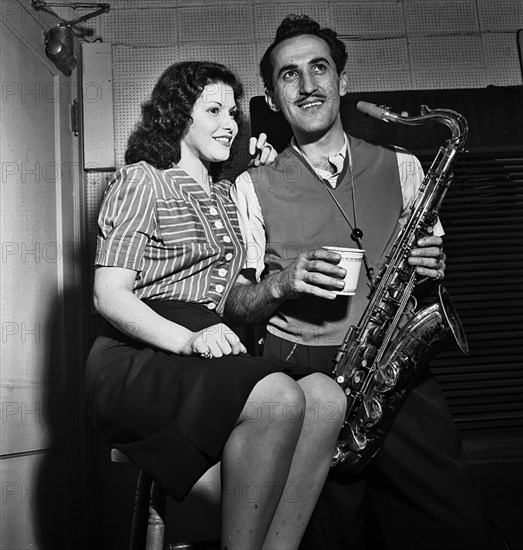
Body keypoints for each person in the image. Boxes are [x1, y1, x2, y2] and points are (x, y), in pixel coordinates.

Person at [225, 15, 492, 550]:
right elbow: (234, 301)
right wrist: (282, 285)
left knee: (452, 528)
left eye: (319, 68)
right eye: (289, 75)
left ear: (342, 82)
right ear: (273, 100)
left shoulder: (405, 165)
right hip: (304, 379)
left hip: (394, 364)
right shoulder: (250, 186)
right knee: (328, 538)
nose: (307, 85)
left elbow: (427, 265)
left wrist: (434, 265)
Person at [84, 60, 348, 550]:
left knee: (328, 399)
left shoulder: (227, 196)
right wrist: (188, 339)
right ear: (176, 115)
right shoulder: (142, 180)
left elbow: (234, 300)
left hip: (211, 344)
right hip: (141, 351)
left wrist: (268, 180)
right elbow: (109, 295)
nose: (229, 122)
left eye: (232, 112)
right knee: (278, 398)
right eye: (213, 110)